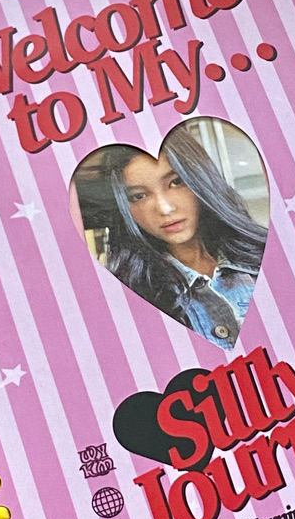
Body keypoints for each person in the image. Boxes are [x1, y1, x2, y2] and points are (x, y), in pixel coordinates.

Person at [102, 125, 267, 350]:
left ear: (200, 179)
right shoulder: (128, 298)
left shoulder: (266, 254)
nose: (165, 208)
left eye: (176, 182)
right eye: (139, 196)